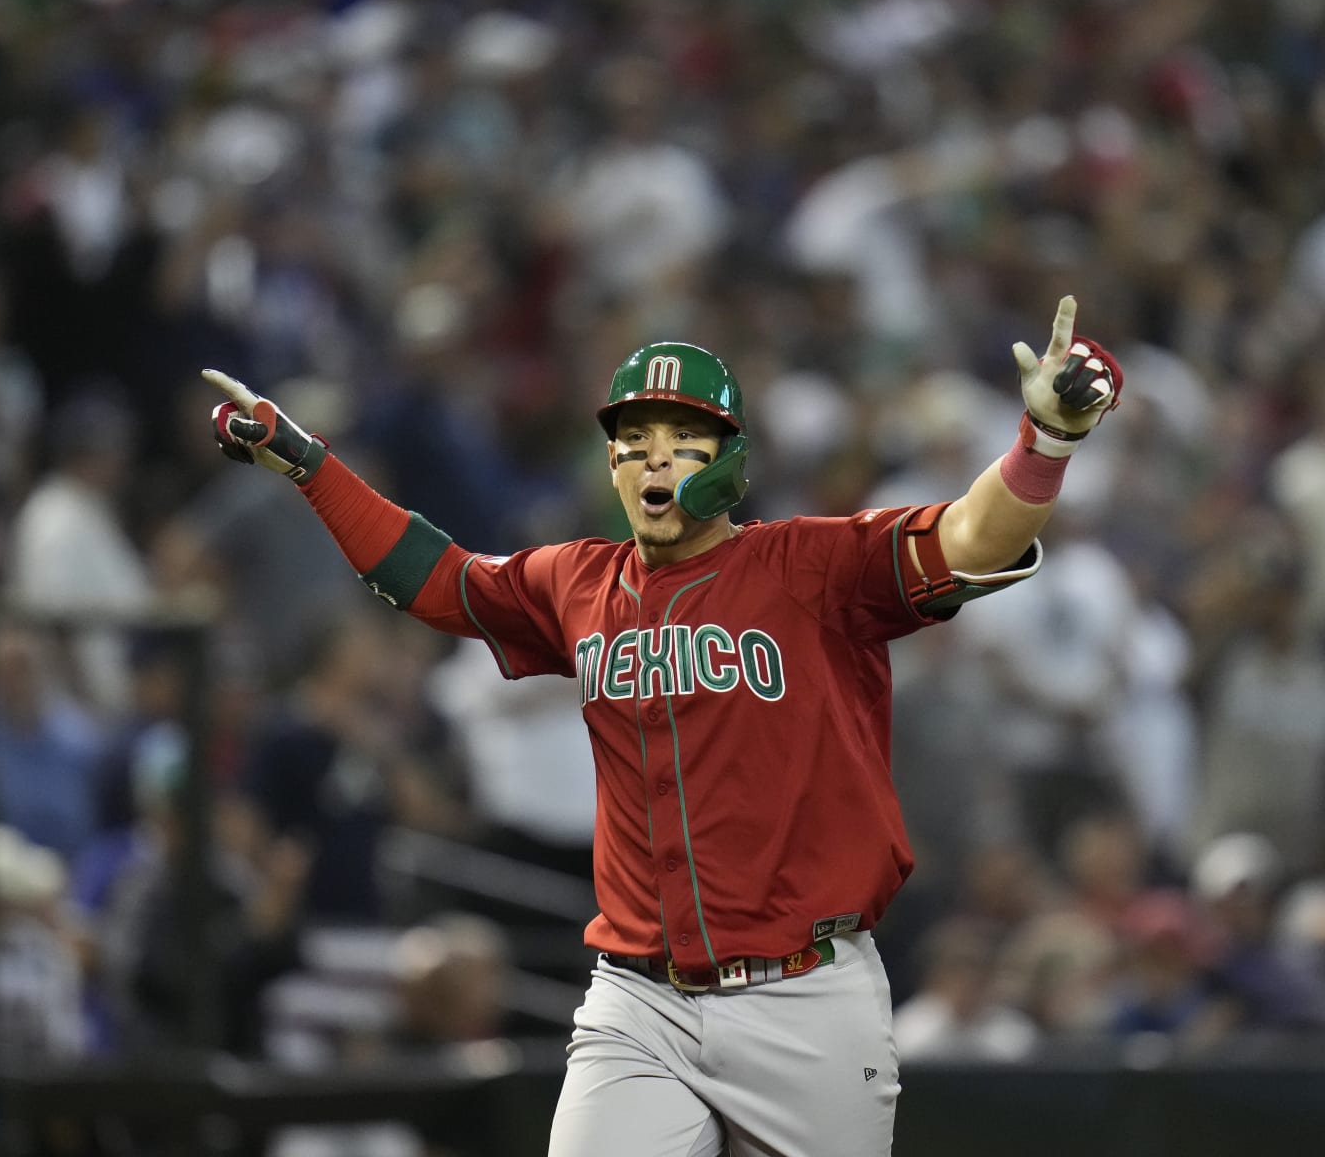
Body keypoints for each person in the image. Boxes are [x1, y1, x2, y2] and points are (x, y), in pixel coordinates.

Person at [203, 295, 1123, 1156]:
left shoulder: (811, 565)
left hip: (805, 994)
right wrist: (310, 465)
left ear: (727, 457)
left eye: (682, 439)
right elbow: (434, 579)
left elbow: (971, 538)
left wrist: (1045, 440)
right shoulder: (576, 580)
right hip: (639, 998)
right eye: (634, 438)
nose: (653, 457)